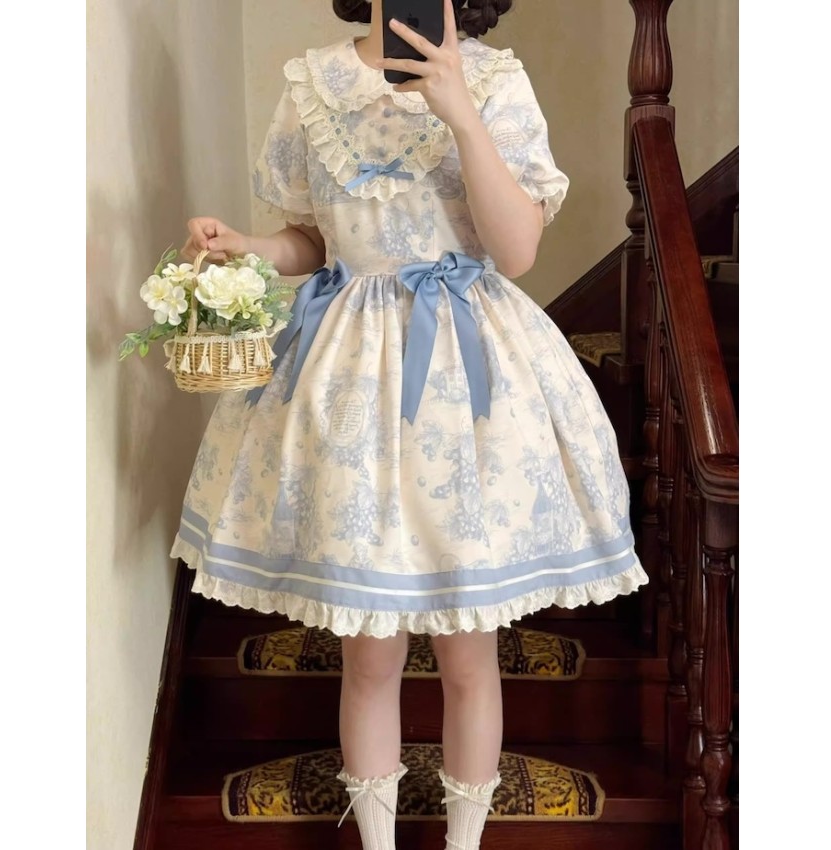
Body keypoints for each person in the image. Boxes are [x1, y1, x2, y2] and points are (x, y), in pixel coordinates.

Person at [173, 1, 649, 848]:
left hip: (467, 378)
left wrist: (460, 111)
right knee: (370, 650)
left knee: (469, 651)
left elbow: (517, 251)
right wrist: (248, 248)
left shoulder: (496, 80)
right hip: (348, 380)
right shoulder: (312, 84)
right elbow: (312, 240)